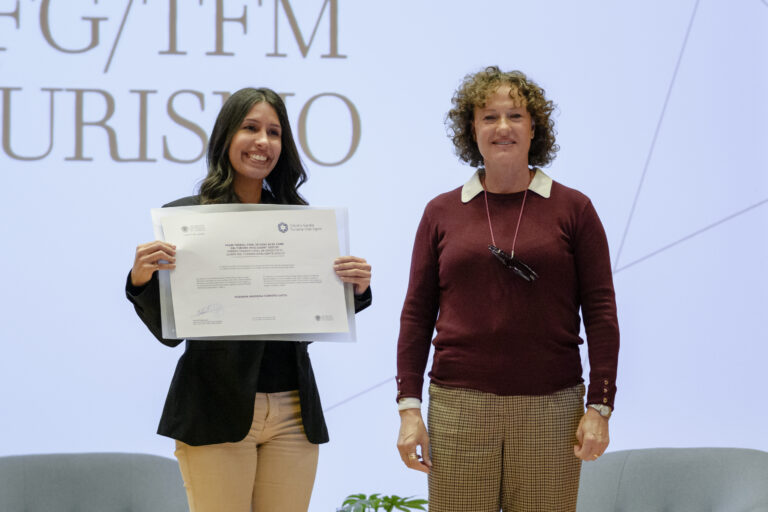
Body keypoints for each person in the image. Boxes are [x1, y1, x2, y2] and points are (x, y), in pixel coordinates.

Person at [126, 87, 372, 512]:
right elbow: (169, 334)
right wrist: (141, 279)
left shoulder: (300, 221)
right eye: (251, 128)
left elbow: (313, 321)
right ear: (225, 137)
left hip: (294, 413)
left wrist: (355, 288)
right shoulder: (185, 220)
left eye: (274, 132)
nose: (263, 142)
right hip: (214, 407)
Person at [395, 67, 619, 512]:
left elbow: (600, 312)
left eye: (515, 116)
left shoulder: (575, 209)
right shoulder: (440, 212)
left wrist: (600, 407)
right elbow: (417, 314)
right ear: (471, 130)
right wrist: (408, 409)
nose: (502, 128)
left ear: (535, 128)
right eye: (489, 117)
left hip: (551, 410)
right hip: (458, 408)